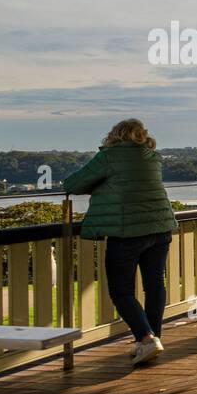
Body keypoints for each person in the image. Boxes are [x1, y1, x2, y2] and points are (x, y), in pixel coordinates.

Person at [63, 119, 177, 365]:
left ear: (115, 135)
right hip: (160, 228)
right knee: (154, 285)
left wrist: (100, 185)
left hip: (127, 233)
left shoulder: (109, 157)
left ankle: (147, 339)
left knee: (121, 290)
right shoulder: (152, 157)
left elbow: (72, 184)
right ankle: (151, 337)